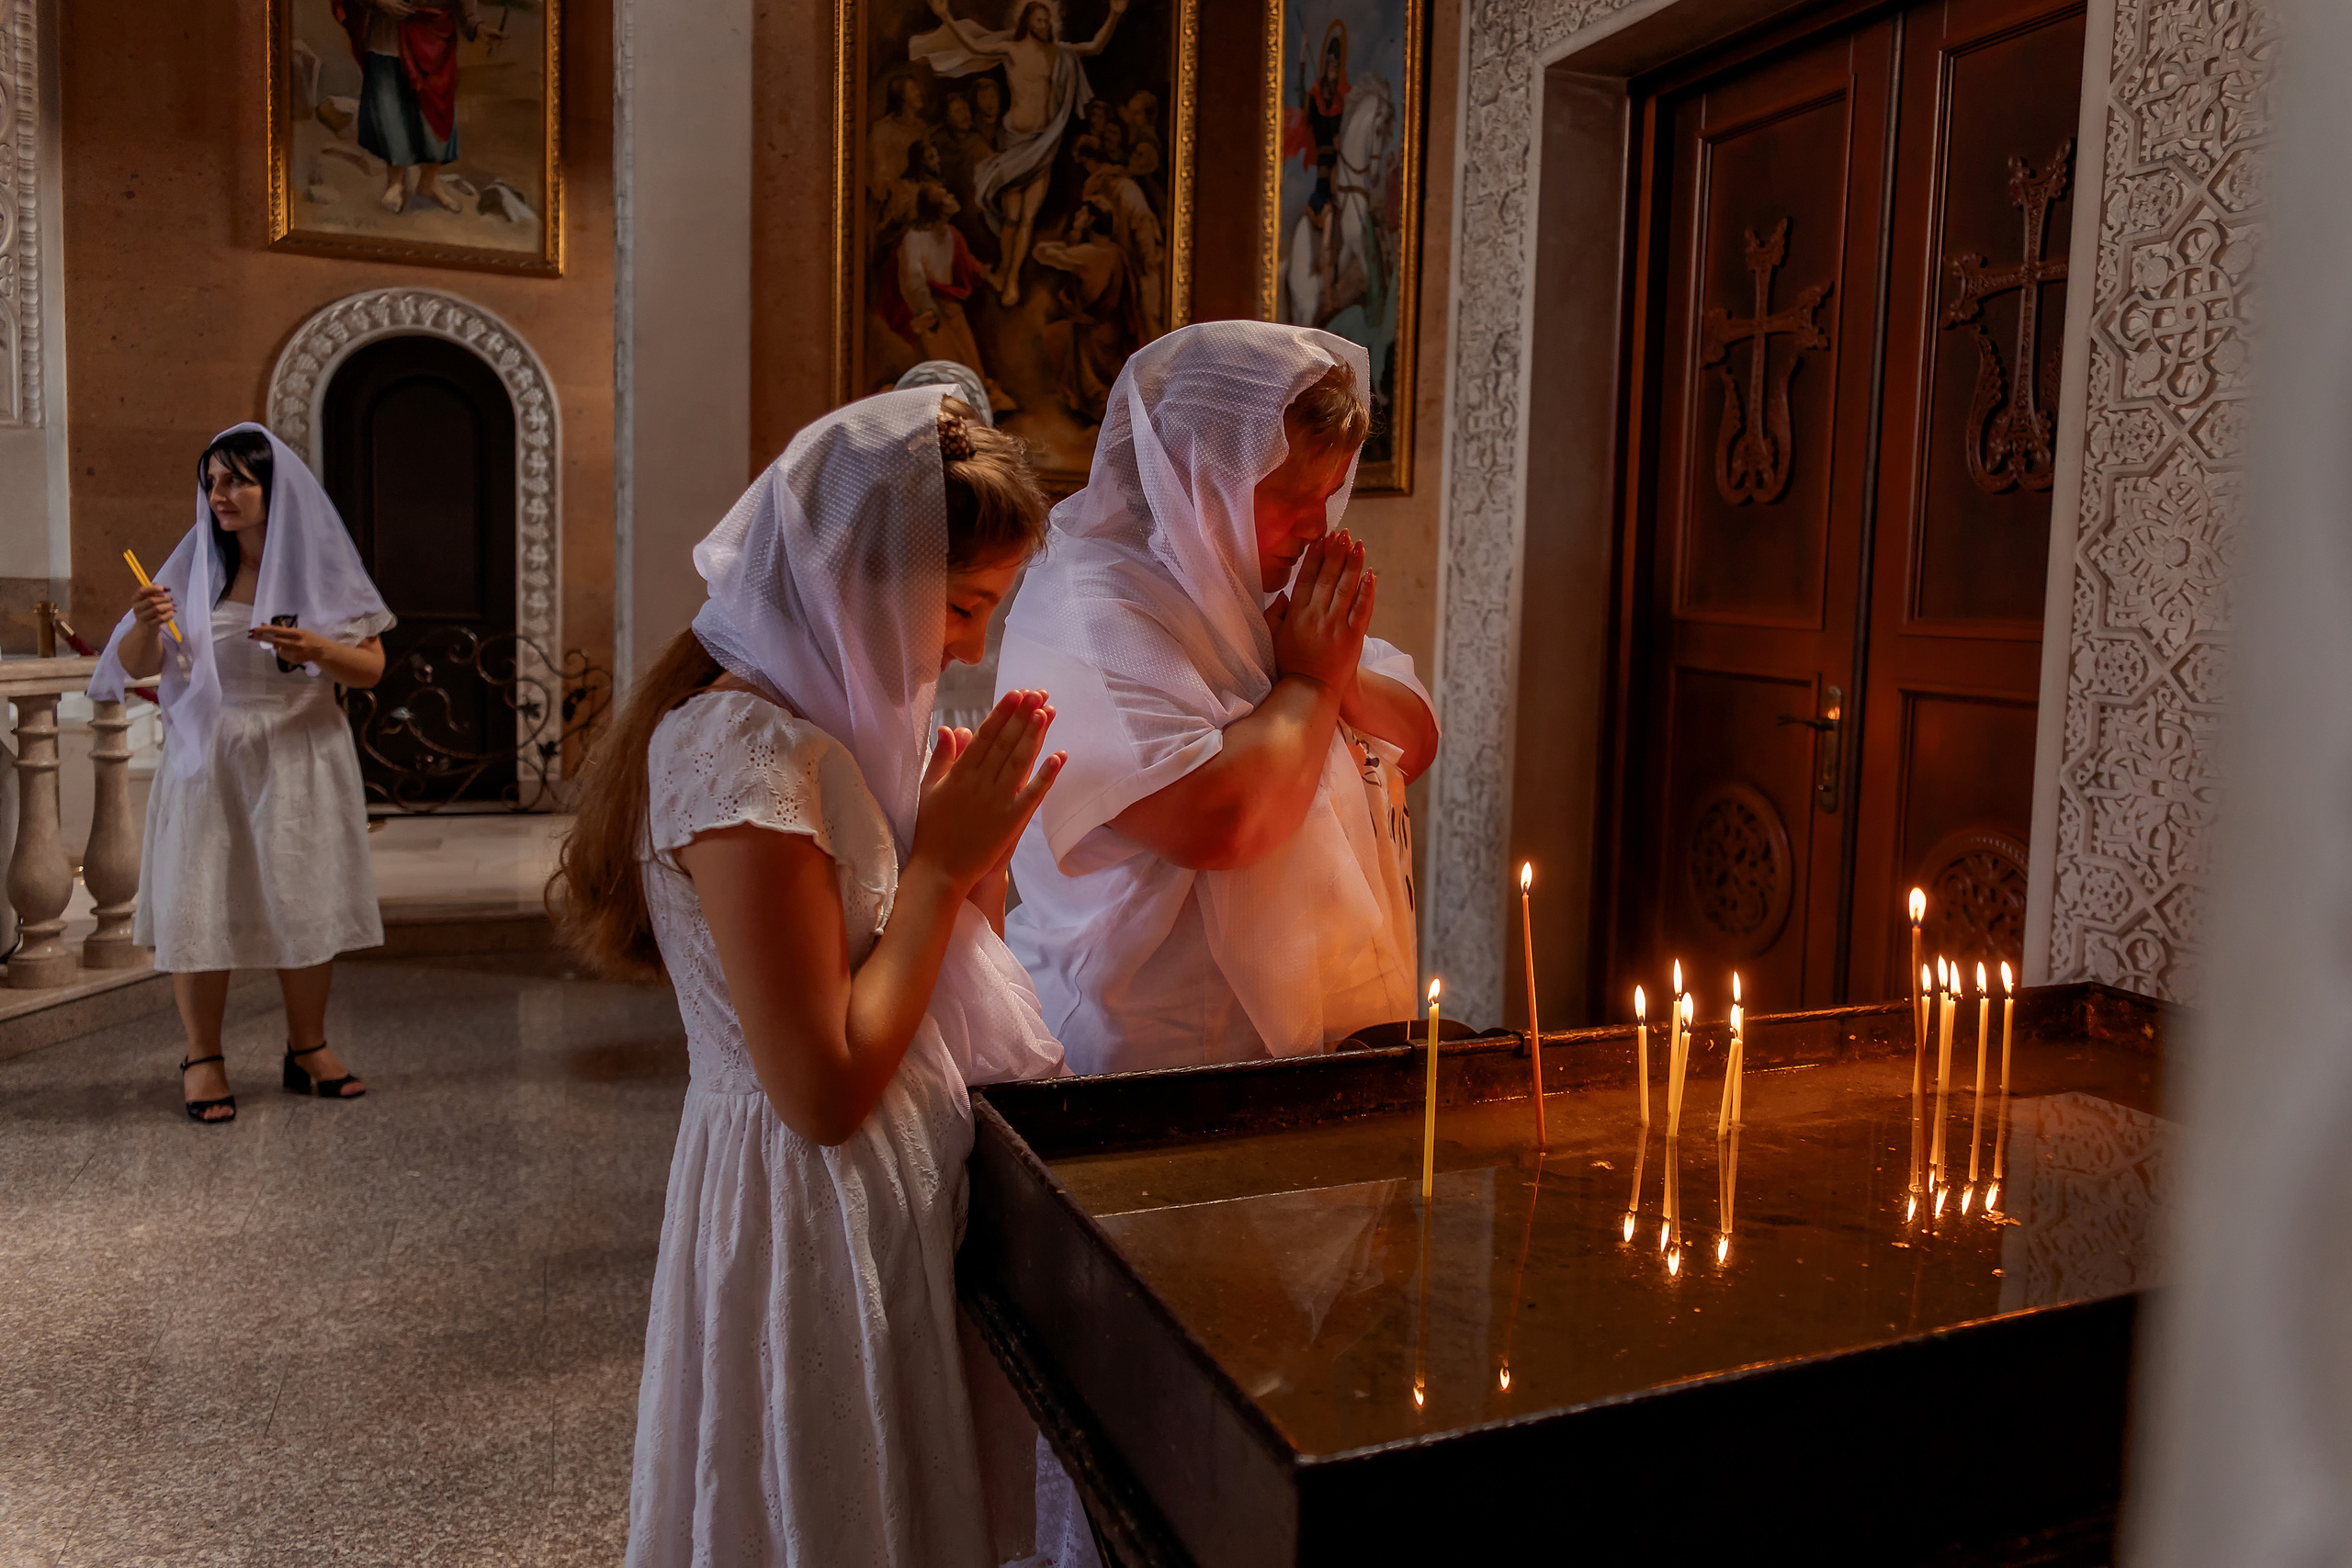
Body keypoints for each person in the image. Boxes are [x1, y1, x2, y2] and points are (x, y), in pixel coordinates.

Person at [552, 389, 1083, 1563]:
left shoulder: (826, 731)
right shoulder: (742, 753)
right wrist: (940, 866)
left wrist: (971, 863)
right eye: (959, 607)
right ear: (861, 576)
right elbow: (820, 1090)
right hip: (810, 1205)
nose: (970, 646)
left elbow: (913, 969)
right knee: (831, 1508)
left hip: (891, 1186)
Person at [997, 321, 1439, 1074]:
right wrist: (1310, 682)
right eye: (1294, 495)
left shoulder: (1254, 578)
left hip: (1309, 1050)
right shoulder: (1084, 608)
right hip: (1144, 1063)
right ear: (1199, 473)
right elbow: (1223, 817)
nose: (1316, 528)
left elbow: (1414, 736)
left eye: (1329, 494)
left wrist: (1335, 674)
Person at [90, 424, 394, 1123]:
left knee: (304, 895)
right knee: (203, 897)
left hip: (302, 749)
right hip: (212, 754)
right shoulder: (193, 568)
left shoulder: (321, 569)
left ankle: (308, 1046)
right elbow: (138, 663)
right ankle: (203, 1056)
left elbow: (373, 667)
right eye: (212, 480)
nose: (219, 494)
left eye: (236, 480)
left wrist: (316, 645)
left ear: (272, 489)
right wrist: (142, 622)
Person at [914, 0, 1128, 308]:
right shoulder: (1011, 50)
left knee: (1027, 215)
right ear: (1027, 21)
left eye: (1047, 21)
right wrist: (945, 16)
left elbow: (1094, 47)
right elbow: (974, 46)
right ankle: (1004, 271)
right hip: (1014, 142)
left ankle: (1011, 279)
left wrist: (1115, 13)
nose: (1044, 26)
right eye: (1039, 20)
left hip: (1044, 143)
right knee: (1011, 216)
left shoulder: (1058, 54)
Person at [331, 0, 503, 213]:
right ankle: (395, 183)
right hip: (387, 35)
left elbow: (465, 5)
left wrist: (478, 27)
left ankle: (427, 184)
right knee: (389, 110)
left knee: (436, 117)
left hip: (435, 39)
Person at [882, 182, 1023, 415]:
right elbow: (912, 278)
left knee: (967, 358)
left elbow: (966, 263)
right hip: (931, 310)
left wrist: (988, 275)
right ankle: (948, 414)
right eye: (945, 195)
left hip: (951, 305)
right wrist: (926, 309)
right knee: (941, 365)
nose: (950, 197)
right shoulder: (914, 238)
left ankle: (981, 403)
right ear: (934, 206)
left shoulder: (950, 234)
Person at [1034, 199, 1140, 423]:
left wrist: (1068, 242)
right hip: (1111, 330)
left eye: (1081, 215)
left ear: (1091, 220)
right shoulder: (1115, 251)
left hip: (1093, 335)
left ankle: (1083, 404)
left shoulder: (1088, 254)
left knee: (1052, 336)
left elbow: (1040, 252)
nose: (1076, 218)